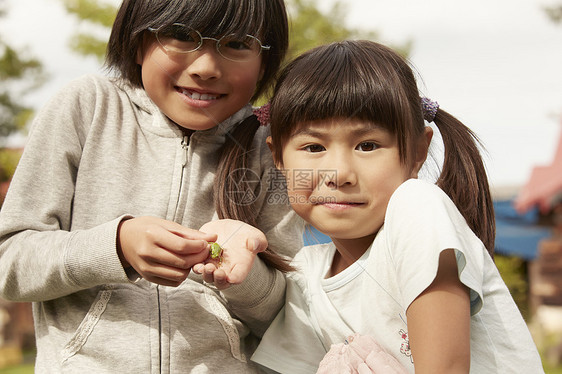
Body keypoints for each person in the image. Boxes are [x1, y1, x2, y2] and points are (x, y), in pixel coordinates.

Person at [0, 0, 304, 372]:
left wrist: (243, 275)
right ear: (138, 41)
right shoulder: (86, 107)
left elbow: (289, 315)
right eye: (180, 35)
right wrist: (116, 245)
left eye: (238, 43)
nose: (206, 67)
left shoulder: (270, 147)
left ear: (264, 63)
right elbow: (8, 260)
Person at [251, 40, 544, 373]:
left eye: (368, 145)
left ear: (418, 152)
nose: (340, 174)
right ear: (278, 157)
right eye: (314, 147)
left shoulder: (417, 209)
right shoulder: (306, 275)